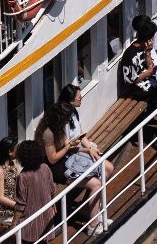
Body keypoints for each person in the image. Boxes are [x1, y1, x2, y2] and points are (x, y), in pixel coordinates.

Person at [35, 86, 115, 233]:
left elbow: (69, 146)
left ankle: (89, 209)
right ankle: (92, 224)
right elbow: (52, 159)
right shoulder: (48, 133)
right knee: (96, 184)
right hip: (55, 167)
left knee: (108, 168)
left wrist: (88, 150)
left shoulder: (59, 128)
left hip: (68, 157)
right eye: (65, 119)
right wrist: (70, 147)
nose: (68, 122)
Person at [13, 140, 56, 244]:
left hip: (31, 222)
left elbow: (20, 205)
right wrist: (53, 205)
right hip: (46, 216)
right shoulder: (45, 168)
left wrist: (13, 224)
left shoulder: (22, 177)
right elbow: (52, 190)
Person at [0, 137, 20, 233]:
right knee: (27, 218)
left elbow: (19, 180)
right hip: (3, 212)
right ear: (10, 152)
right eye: (16, 147)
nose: (18, 149)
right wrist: (18, 205)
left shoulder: (13, 163)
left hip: (15, 205)